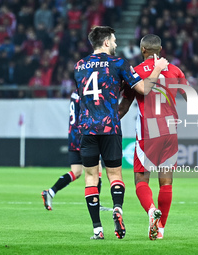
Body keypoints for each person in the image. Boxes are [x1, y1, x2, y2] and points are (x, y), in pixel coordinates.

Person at [119, 34, 198, 240]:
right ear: (160, 49)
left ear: (143, 50)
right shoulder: (175, 70)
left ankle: (152, 212)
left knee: (141, 179)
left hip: (147, 130)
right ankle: (160, 230)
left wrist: (107, 122)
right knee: (166, 181)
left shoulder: (134, 72)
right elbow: (192, 99)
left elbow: (124, 106)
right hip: (170, 130)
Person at [74, 26, 168, 240]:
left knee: (90, 177)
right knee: (115, 175)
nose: (116, 44)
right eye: (114, 40)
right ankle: (117, 209)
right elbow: (144, 89)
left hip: (87, 127)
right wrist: (157, 69)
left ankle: (97, 229)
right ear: (106, 42)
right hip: (110, 127)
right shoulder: (118, 64)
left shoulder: (79, 66)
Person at [41, 90, 109, 211]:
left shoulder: (74, 94)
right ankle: (96, 203)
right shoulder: (86, 92)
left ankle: (51, 192)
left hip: (73, 136)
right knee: (96, 168)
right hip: (84, 134)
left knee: (76, 171)